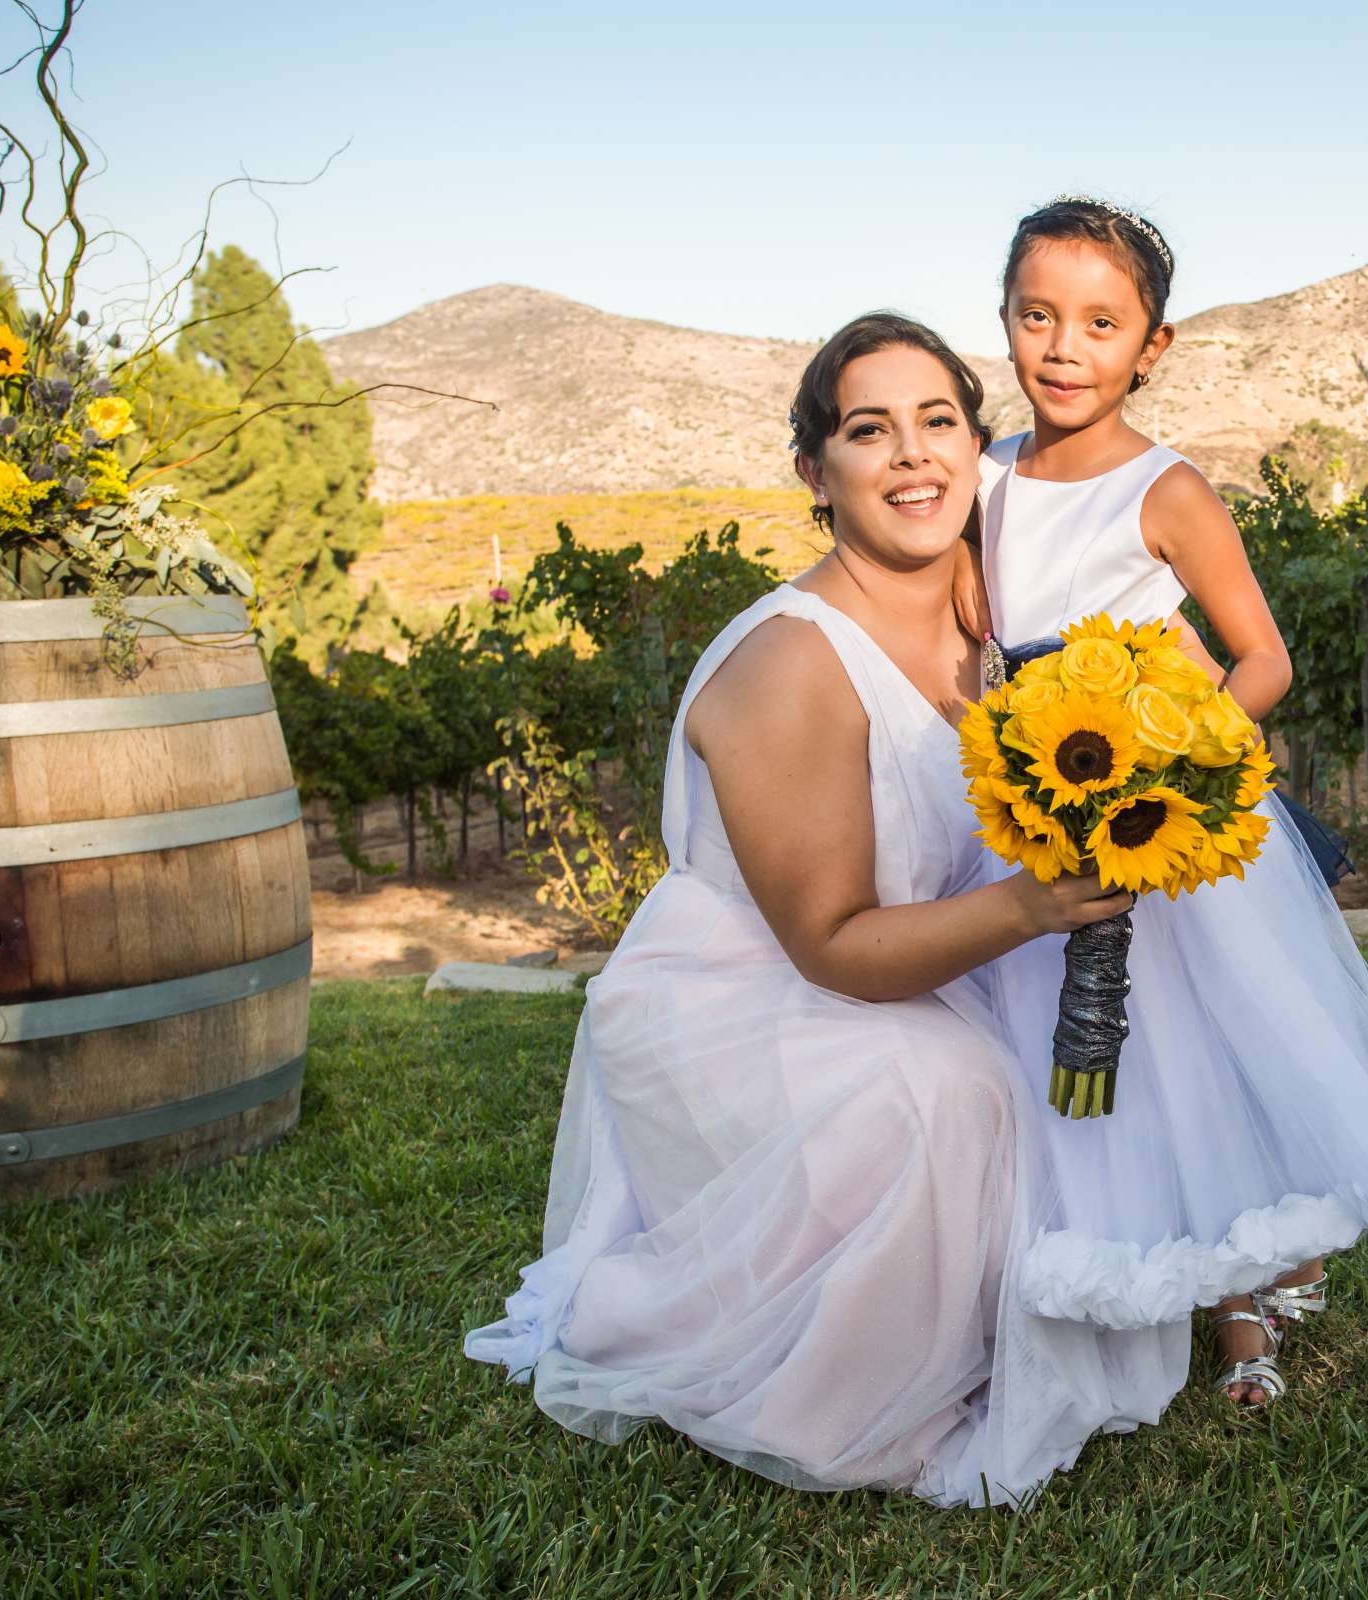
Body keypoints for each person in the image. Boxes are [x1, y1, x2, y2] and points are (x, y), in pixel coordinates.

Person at [464, 313, 1186, 1508]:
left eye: (937, 422)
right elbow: (834, 945)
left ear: (976, 442)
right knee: (954, 1094)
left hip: (911, 966)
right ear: (815, 470)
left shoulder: (983, 606)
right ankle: (834, 1390)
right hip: (745, 1002)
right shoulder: (792, 666)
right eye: (869, 431)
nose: (912, 457)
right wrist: (1031, 906)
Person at [971, 197, 1368, 1408]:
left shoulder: (1168, 489)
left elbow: (1263, 660)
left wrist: (1175, 758)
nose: (1063, 346)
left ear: (1151, 346)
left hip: (1160, 811)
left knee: (1204, 1056)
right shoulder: (982, 474)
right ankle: (1085, 1266)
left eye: (1100, 323)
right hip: (1036, 800)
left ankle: (1244, 1291)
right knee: (1079, 1057)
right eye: (1037, 315)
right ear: (1002, 321)